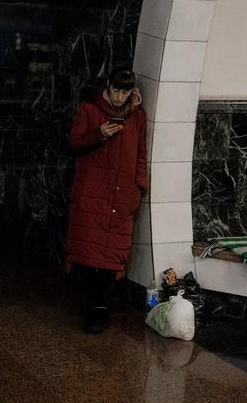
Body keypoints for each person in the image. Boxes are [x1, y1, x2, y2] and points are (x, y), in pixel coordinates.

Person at [66, 67, 147, 333]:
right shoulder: (89, 110)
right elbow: (74, 145)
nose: (120, 96)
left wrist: (138, 187)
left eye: (125, 91)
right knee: (89, 250)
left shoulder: (138, 117)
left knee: (113, 252)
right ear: (107, 86)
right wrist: (100, 134)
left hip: (122, 194)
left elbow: (140, 154)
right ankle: (94, 305)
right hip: (93, 192)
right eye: (116, 90)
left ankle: (102, 305)